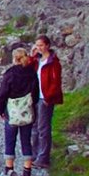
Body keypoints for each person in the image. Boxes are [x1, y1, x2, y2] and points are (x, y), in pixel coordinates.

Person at [0, 47, 40, 176]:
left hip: (12, 111)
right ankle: (27, 172)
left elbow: (3, 94)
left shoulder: (10, 74)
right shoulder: (32, 73)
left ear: (14, 58)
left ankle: (9, 171)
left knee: (10, 140)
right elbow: (36, 95)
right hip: (27, 112)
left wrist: (0, 110)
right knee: (26, 141)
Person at [31, 36, 63, 168]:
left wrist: (48, 98)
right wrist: (33, 55)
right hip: (36, 97)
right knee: (34, 127)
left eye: (41, 45)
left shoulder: (53, 62)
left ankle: (43, 158)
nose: (39, 48)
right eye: (37, 45)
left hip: (45, 99)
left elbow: (56, 83)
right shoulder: (38, 60)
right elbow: (28, 68)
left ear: (48, 46)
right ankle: (35, 154)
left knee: (43, 128)